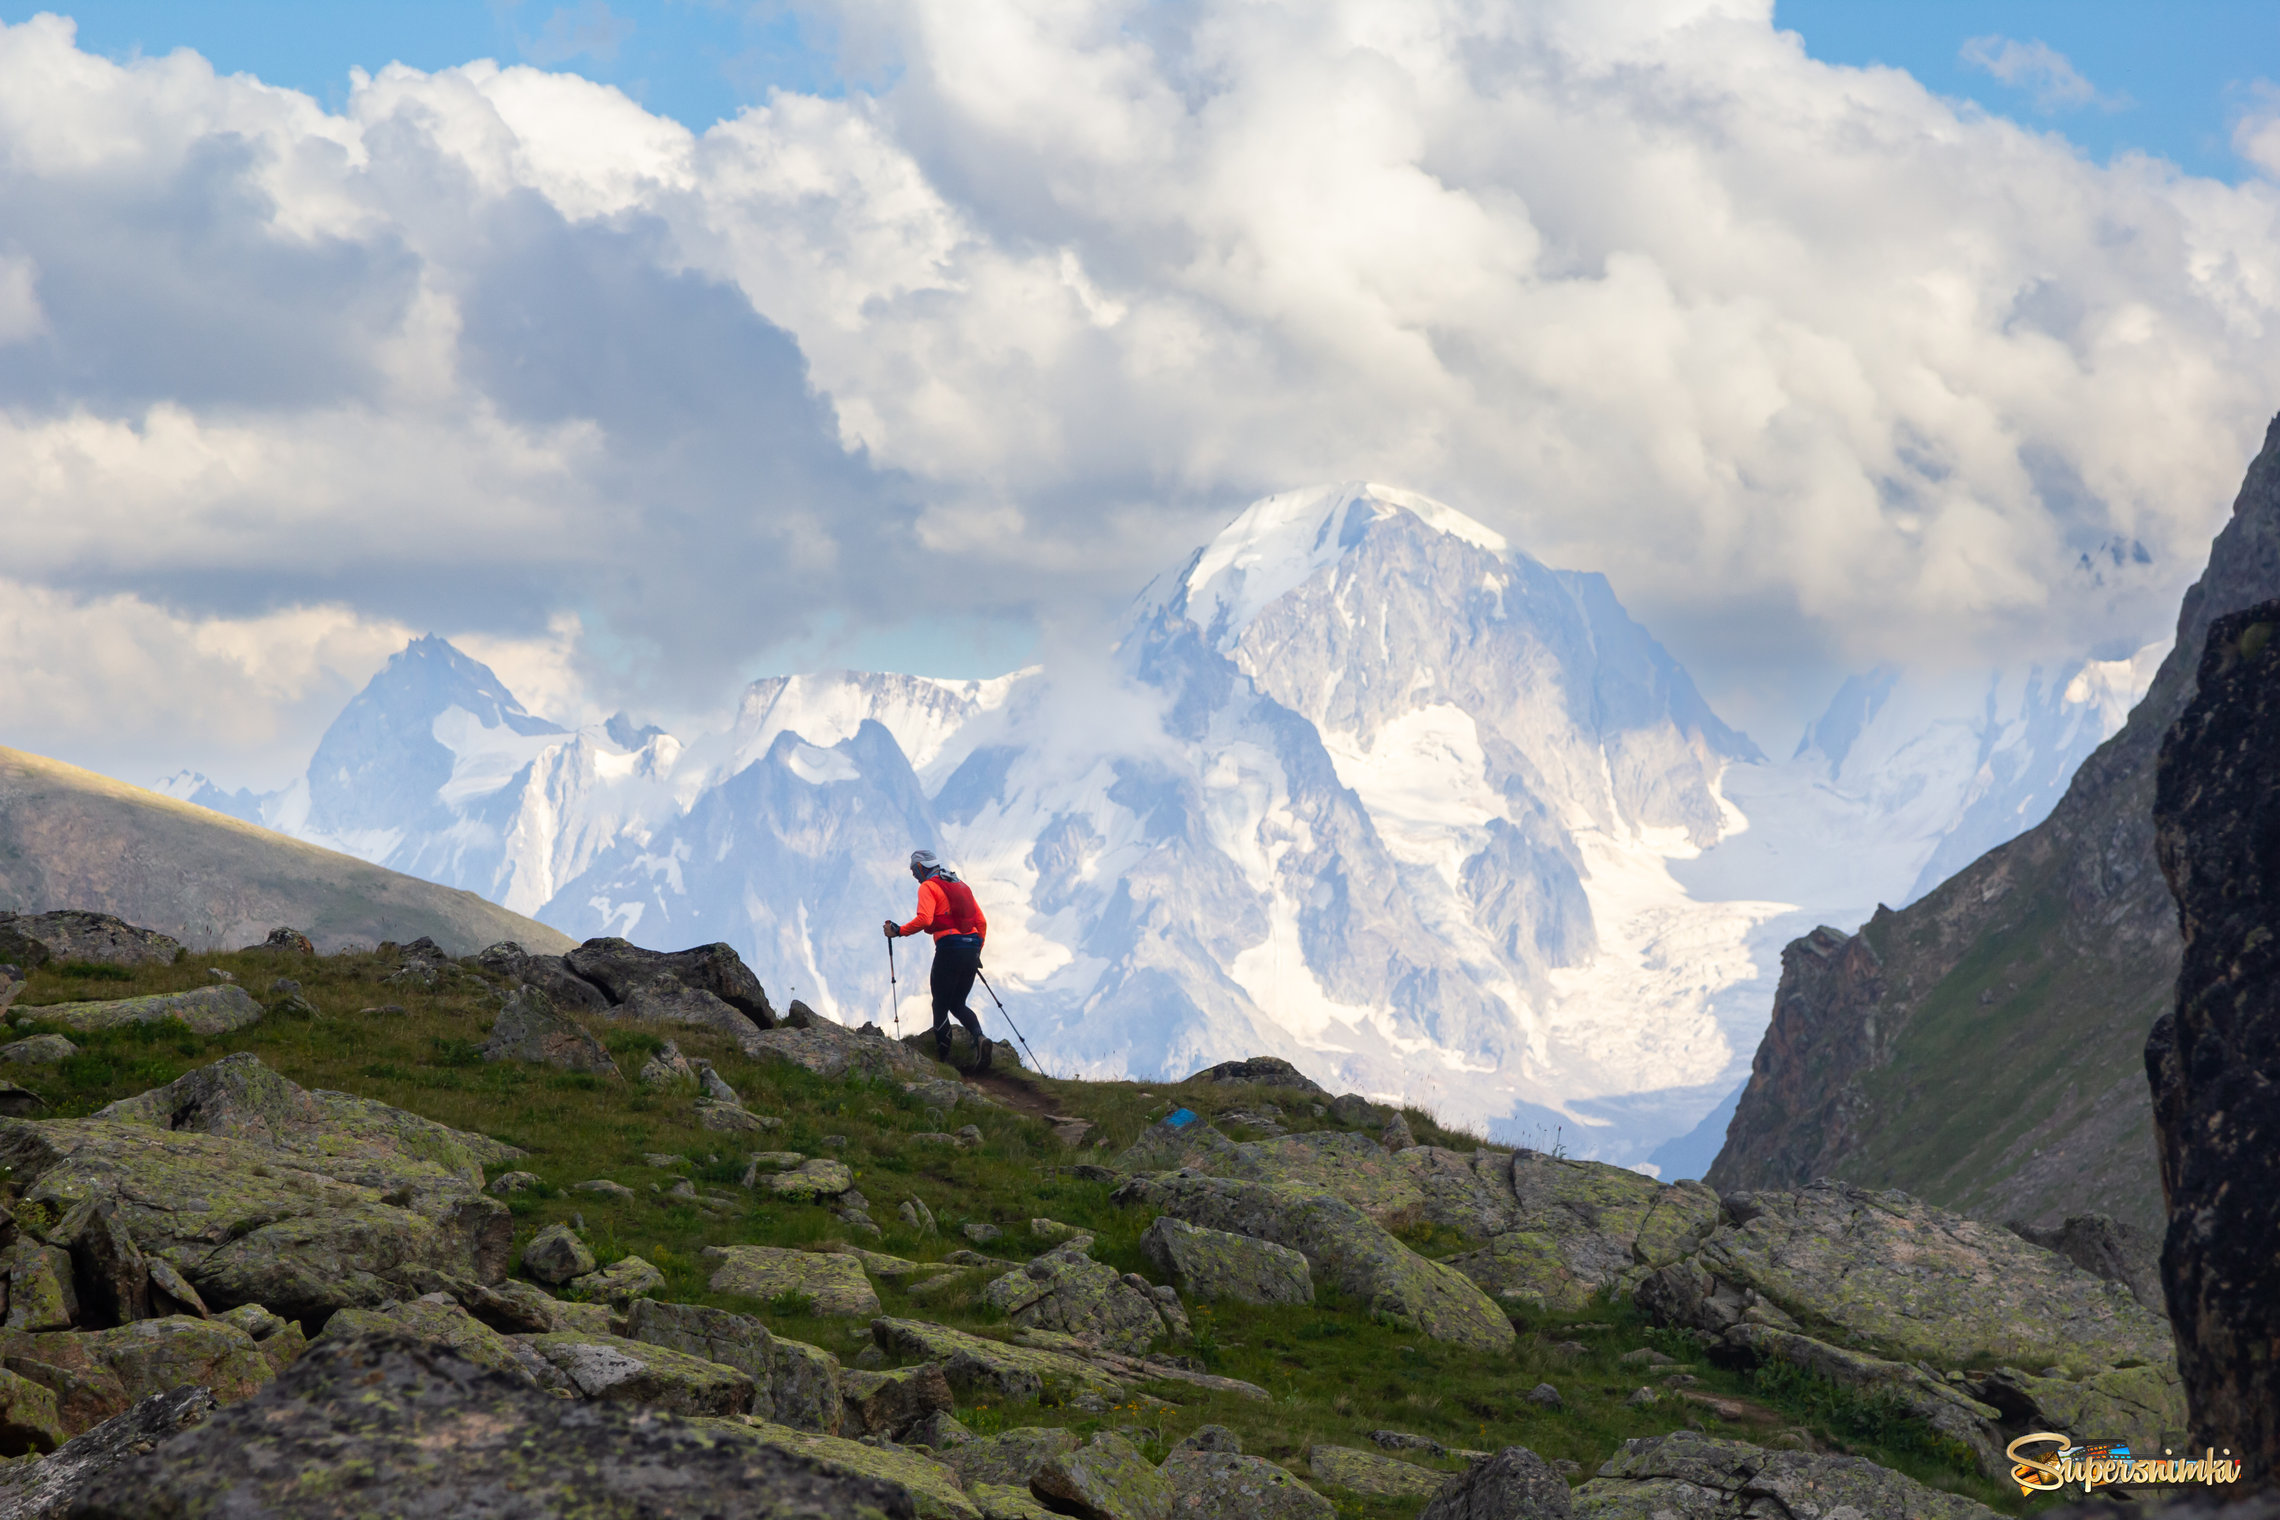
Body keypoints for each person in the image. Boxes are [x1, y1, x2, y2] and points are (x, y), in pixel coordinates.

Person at [884, 849, 991, 1070]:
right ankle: (980, 1038)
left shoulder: (928, 887)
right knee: (958, 1003)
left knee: (940, 1005)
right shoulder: (961, 885)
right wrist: (976, 950)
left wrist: (899, 931)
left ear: (922, 868)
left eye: (914, 871)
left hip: (949, 949)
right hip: (971, 949)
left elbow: (925, 919)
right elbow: (981, 922)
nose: (914, 876)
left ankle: (943, 1060)